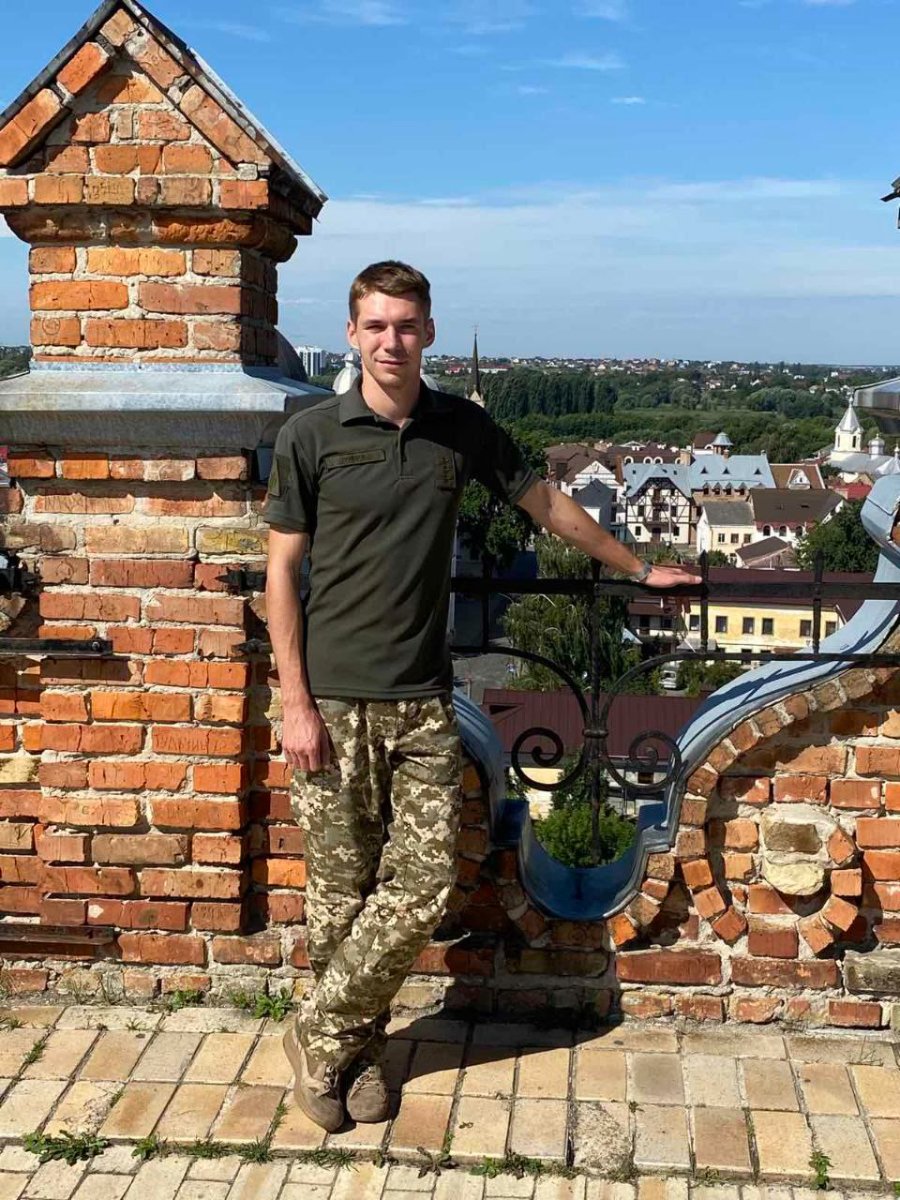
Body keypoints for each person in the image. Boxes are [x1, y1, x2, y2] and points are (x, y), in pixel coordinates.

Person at [263, 260, 699, 1132]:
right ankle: (355, 1055)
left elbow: (549, 507)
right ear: (352, 334)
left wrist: (638, 566)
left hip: (423, 696)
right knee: (342, 897)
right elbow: (281, 574)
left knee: (424, 884)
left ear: (427, 332)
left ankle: (317, 1030)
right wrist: (295, 702)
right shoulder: (311, 435)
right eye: (376, 325)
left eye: (406, 325)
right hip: (334, 701)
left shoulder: (460, 429)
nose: (391, 341)